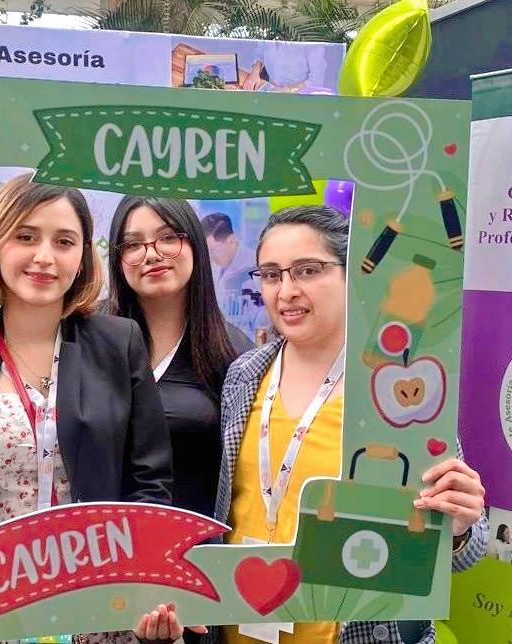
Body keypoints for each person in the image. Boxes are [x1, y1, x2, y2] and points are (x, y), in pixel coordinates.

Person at [134, 205, 488, 644]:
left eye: (307, 270)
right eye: (271, 275)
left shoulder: (394, 388)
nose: (286, 291)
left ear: (353, 274)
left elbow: (463, 553)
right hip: (238, 623)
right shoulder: (244, 375)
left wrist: (459, 527)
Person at [0, 174, 172, 546]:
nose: (44, 257)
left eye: (64, 242)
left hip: (101, 571)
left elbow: (150, 481)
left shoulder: (118, 343)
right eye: (26, 237)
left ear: (82, 257)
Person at [107, 196, 252, 523]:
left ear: (195, 244)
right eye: (133, 244)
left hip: (192, 543)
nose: (152, 254)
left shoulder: (234, 355)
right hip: (96, 542)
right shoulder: (88, 338)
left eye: (169, 237)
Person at [201, 213, 256, 322]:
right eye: (205, 252)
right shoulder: (213, 266)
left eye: (212, 251)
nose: (209, 258)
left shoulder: (255, 268)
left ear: (231, 240)